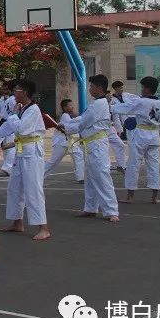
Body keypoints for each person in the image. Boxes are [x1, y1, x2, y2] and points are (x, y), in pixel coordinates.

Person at [0, 79, 51, 241]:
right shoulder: (22, 109)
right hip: (21, 151)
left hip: (32, 152)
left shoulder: (33, 109)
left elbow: (21, 129)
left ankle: (43, 227)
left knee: (33, 188)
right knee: (14, 187)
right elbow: (8, 127)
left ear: (24, 92)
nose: (13, 93)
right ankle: (17, 222)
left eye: (16, 90)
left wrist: (14, 115)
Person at [58, 75, 120, 222]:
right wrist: (67, 125)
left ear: (99, 87)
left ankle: (111, 211)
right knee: (91, 177)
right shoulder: (96, 103)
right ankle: (90, 208)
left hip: (97, 144)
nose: (90, 89)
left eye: (91, 86)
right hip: (91, 144)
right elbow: (82, 119)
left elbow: (83, 123)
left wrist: (66, 127)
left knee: (101, 175)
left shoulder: (100, 104)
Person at [111, 76, 160, 205]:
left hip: (141, 135)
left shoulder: (141, 102)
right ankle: (154, 197)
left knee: (133, 164)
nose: (142, 90)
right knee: (153, 165)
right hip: (154, 135)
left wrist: (110, 106)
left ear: (147, 89)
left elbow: (124, 108)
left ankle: (130, 196)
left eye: (143, 87)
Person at [45, 99, 84, 183]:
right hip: (61, 143)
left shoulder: (70, 116)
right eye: (70, 105)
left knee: (79, 156)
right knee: (53, 162)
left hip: (70, 142)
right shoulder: (65, 115)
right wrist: (82, 118)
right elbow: (70, 125)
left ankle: (81, 178)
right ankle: (39, 175)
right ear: (65, 107)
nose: (72, 106)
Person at [109, 81, 135, 172]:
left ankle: (123, 164)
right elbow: (116, 117)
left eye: (122, 88)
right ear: (115, 89)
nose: (121, 89)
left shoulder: (127, 95)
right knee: (130, 145)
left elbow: (138, 100)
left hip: (134, 119)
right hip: (126, 123)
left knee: (126, 145)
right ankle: (124, 165)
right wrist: (119, 129)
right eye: (120, 88)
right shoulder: (112, 100)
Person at [0, 81, 17, 176]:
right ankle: (7, 166)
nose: (5, 91)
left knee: (9, 146)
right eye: (3, 89)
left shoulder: (10, 99)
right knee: (8, 147)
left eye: (6, 89)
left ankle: (8, 166)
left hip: (8, 123)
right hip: (6, 123)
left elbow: (1, 112)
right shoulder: (6, 99)